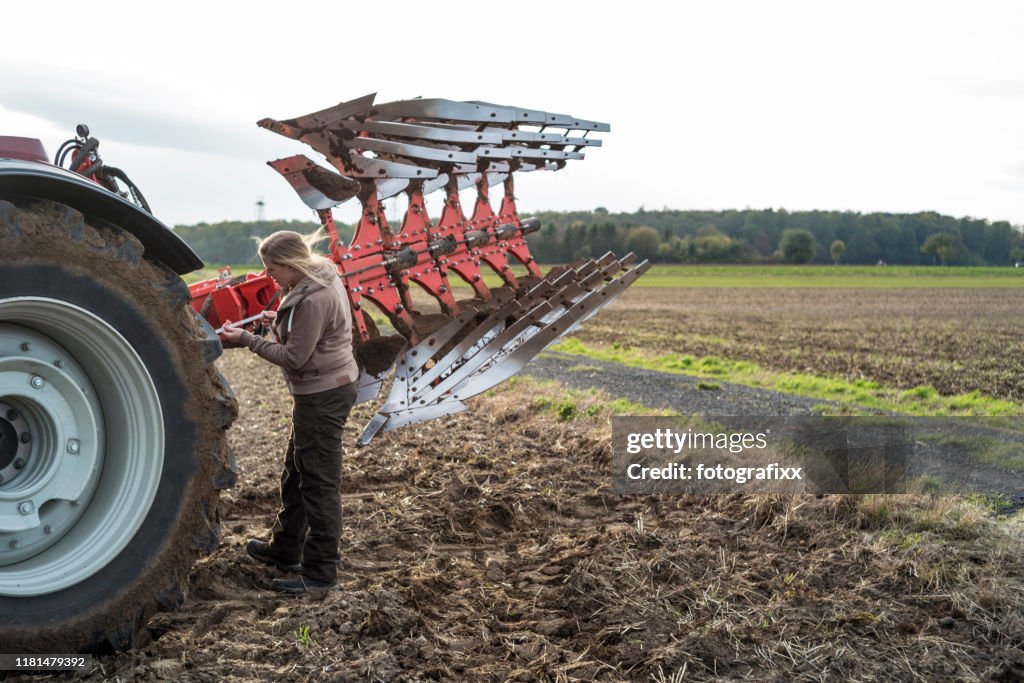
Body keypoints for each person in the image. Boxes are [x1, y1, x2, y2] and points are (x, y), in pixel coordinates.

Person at [221, 230, 358, 595]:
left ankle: (319, 575)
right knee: (295, 472)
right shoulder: (316, 280)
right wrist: (272, 318)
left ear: (291, 263)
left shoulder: (315, 298)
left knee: (318, 484)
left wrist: (249, 340)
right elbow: (302, 328)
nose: (270, 276)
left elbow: (296, 358)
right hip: (322, 389)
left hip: (322, 394)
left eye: (273, 268)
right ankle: (285, 548)